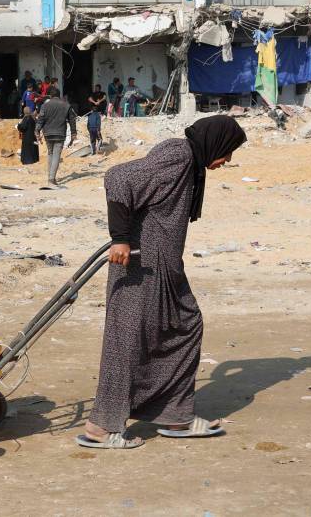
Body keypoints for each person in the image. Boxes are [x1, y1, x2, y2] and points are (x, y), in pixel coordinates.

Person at [76, 116, 248, 450]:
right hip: (140, 266)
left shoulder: (191, 163)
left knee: (185, 326)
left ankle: (174, 414)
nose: (227, 161)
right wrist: (120, 238)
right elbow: (119, 178)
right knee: (126, 342)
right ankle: (101, 426)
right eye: (227, 152)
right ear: (214, 142)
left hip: (165, 270)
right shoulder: (179, 155)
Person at [35, 87, 77, 188]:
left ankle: (50, 177)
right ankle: (51, 179)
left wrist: (37, 130)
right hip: (60, 133)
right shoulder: (66, 105)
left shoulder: (45, 105)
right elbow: (72, 120)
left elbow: (40, 119)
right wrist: (73, 133)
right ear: (59, 95)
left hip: (48, 133)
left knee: (50, 153)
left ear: (50, 95)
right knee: (56, 155)